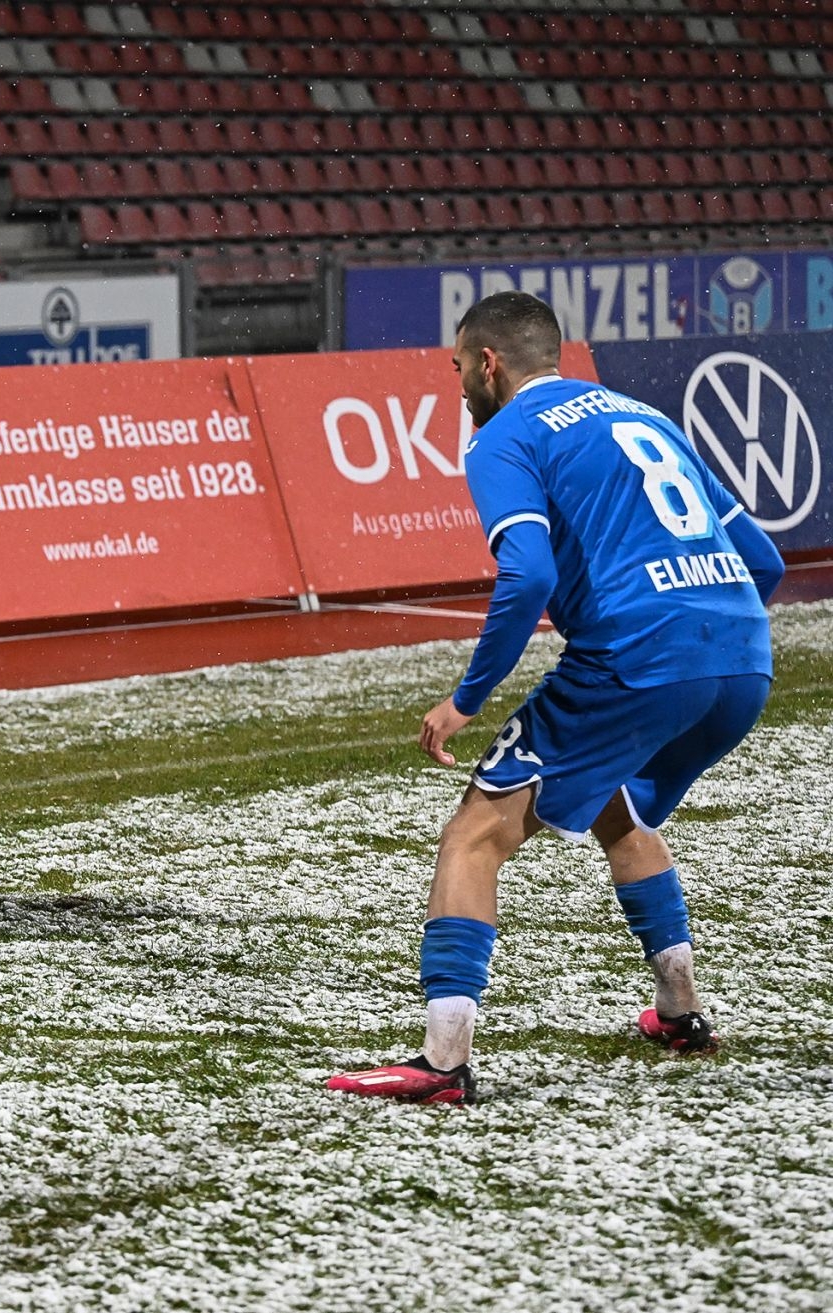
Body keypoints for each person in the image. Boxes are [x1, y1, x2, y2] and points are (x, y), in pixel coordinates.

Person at [328, 291, 784, 1104]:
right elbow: (765, 562)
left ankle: (442, 1064)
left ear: (490, 362)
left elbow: (529, 573)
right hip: (743, 656)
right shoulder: (645, 415)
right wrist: (702, 624)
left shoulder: (503, 436)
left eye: (460, 365)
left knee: (474, 833)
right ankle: (679, 1012)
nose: (459, 381)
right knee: (619, 808)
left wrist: (466, 700)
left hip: (637, 656)